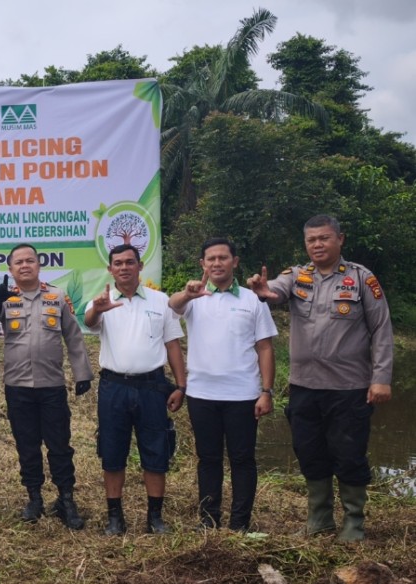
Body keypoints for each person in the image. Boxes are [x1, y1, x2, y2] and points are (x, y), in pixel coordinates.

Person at [247, 215, 392, 541]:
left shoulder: (361, 279)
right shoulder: (296, 276)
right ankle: (319, 520)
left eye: (324, 238)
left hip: (349, 388)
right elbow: (275, 293)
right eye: (311, 240)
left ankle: (354, 523)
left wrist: (381, 377)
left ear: (340, 239)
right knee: (310, 452)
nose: (317, 245)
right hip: (304, 388)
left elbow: (381, 329)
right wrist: (264, 291)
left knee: (349, 453)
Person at [0, 243, 94, 529]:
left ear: (38, 264)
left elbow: (73, 336)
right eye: (18, 262)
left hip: (52, 385)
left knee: (59, 445)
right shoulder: (6, 298)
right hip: (18, 387)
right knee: (27, 445)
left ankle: (65, 498)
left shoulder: (56, 297)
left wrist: (82, 373)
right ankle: (34, 497)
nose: (24, 266)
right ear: (10, 269)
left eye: (29, 260)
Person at [168, 238, 276, 532]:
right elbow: (173, 305)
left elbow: (265, 348)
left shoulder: (253, 300)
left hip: (243, 394)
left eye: (223, 258)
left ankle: (240, 524)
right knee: (208, 459)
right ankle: (209, 521)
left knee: (243, 459)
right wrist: (188, 294)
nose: (217, 263)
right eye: (210, 259)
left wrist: (266, 391)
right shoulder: (194, 299)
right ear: (203, 264)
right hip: (202, 394)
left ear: (235, 262)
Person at [84, 244, 186, 535]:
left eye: (130, 262)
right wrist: (98, 310)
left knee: (156, 452)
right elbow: (90, 322)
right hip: (114, 387)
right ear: (110, 269)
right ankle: (115, 517)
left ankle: (155, 518)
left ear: (140, 267)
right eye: (118, 263)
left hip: (152, 387)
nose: (124, 267)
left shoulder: (161, 301)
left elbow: (172, 345)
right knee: (112, 452)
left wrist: (181, 385)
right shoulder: (102, 302)